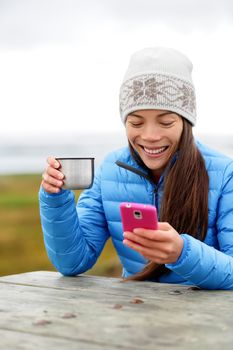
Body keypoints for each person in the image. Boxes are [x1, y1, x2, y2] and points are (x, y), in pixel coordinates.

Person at [39, 47, 233, 289]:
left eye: (165, 122)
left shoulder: (225, 174)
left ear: (186, 123)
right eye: (136, 122)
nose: (150, 135)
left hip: (205, 319)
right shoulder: (109, 170)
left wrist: (183, 253)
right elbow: (72, 262)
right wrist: (55, 199)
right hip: (133, 315)